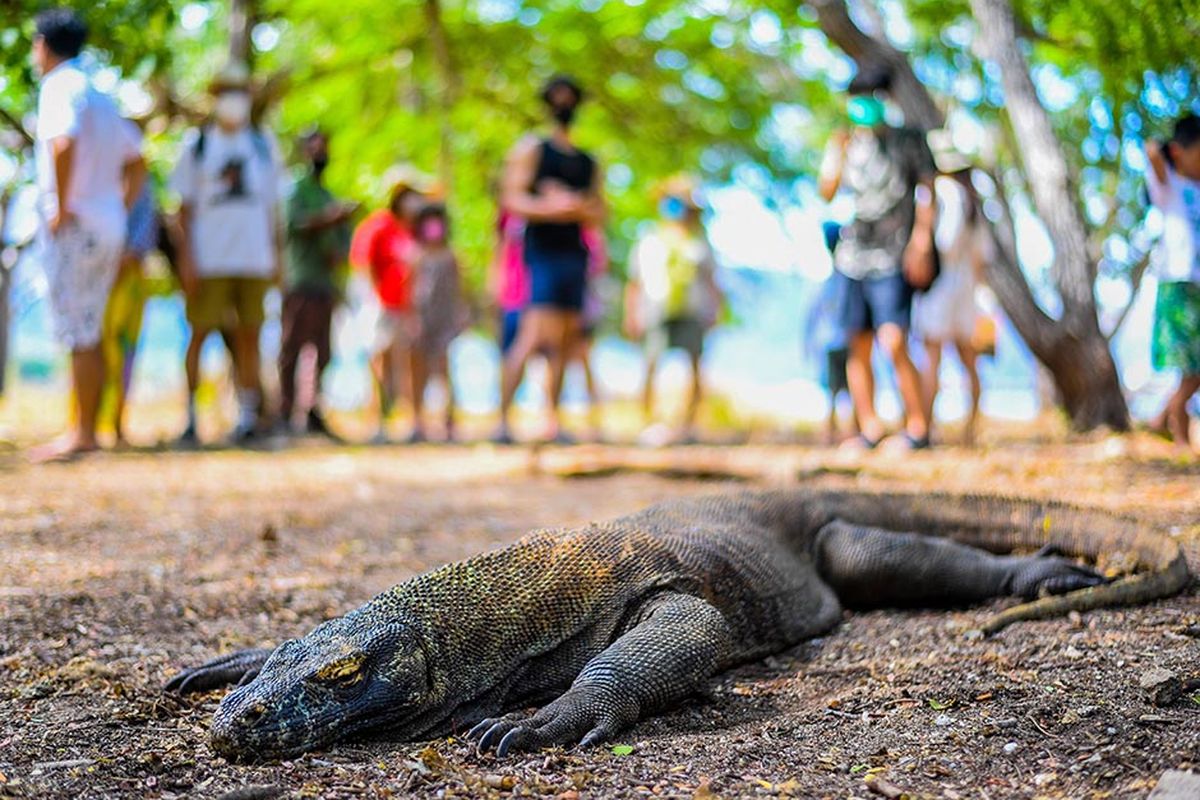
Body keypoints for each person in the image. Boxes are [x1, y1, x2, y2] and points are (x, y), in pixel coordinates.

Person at [29, 8, 145, 463]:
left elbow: (63, 142)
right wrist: (118, 205)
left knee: (77, 329)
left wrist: (60, 207)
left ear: (44, 44)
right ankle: (88, 429)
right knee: (90, 328)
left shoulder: (60, 87)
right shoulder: (99, 91)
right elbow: (137, 161)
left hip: (76, 224)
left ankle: (81, 433)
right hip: (105, 224)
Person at [817, 65, 937, 451]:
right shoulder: (846, 143)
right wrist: (836, 152)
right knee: (858, 342)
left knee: (894, 340)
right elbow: (826, 192)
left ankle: (918, 428)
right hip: (853, 257)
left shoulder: (910, 140)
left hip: (894, 254)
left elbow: (928, 192)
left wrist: (922, 242)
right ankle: (869, 428)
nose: (864, 105)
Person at [171, 61, 284, 445]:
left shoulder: (263, 145)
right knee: (200, 332)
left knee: (251, 333)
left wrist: (277, 257)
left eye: (239, 91)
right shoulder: (197, 145)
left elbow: (273, 208)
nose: (232, 100)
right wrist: (187, 259)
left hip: (254, 257)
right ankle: (189, 416)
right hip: (211, 257)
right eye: (226, 91)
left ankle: (249, 416)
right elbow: (181, 210)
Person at [496, 75, 605, 444]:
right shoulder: (531, 149)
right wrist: (552, 207)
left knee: (565, 340)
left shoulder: (589, 161)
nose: (564, 102)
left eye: (569, 96)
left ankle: (552, 421)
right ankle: (502, 422)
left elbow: (600, 209)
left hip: (576, 256)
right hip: (541, 254)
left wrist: (574, 207)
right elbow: (512, 198)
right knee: (531, 336)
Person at [624, 176, 722, 445]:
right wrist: (631, 314)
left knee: (695, 367)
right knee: (650, 365)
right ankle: (650, 423)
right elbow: (635, 282)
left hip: (693, 310)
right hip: (655, 310)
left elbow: (712, 280)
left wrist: (716, 310)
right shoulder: (650, 239)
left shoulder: (700, 242)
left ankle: (688, 426)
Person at [914, 131, 990, 446]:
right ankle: (971, 428)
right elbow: (982, 256)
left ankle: (924, 428)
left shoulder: (943, 193)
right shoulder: (973, 197)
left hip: (942, 286)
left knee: (932, 356)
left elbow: (946, 242)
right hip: (966, 289)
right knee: (968, 359)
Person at [278, 129, 355, 437]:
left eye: (324, 147)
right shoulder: (296, 190)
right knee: (292, 348)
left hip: (324, 283)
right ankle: (284, 412)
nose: (319, 154)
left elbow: (340, 244)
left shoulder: (328, 195)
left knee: (323, 350)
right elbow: (295, 225)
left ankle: (313, 409)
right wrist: (330, 218)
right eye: (314, 147)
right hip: (300, 280)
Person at [348, 168, 428, 442]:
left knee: (410, 360)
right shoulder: (378, 226)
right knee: (380, 360)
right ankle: (378, 421)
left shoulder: (416, 231)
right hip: (382, 305)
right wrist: (374, 299)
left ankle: (413, 420)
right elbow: (363, 265)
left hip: (409, 307)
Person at [1145, 114, 1200, 453]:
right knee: (1189, 365)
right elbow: (1151, 150)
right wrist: (1168, 151)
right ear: (1180, 153)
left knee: (1193, 368)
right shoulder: (1169, 187)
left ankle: (1161, 420)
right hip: (1176, 284)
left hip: (1196, 285)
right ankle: (1179, 437)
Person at [100, 150, 159, 447]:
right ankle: (89, 419)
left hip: (132, 277)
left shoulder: (145, 186)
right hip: (99, 276)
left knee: (125, 348)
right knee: (97, 345)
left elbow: (147, 228)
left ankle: (117, 420)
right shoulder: (98, 177)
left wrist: (129, 255)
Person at [408, 203, 467, 443]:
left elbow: (459, 290)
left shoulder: (451, 256)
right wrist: (412, 318)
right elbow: (411, 290)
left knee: (444, 369)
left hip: (445, 320)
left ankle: (449, 421)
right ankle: (417, 421)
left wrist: (462, 314)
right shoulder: (417, 256)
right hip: (423, 318)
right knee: (418, 369)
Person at [806, 222, 854, 445]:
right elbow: (814, 314)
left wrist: (808, 342)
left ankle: (842, 432)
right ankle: (838, 431)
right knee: (839, 390)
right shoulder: (836, 278)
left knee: (840, 390)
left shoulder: (831, 278)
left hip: (836, 339)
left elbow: (812, 315)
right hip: (836, 339)